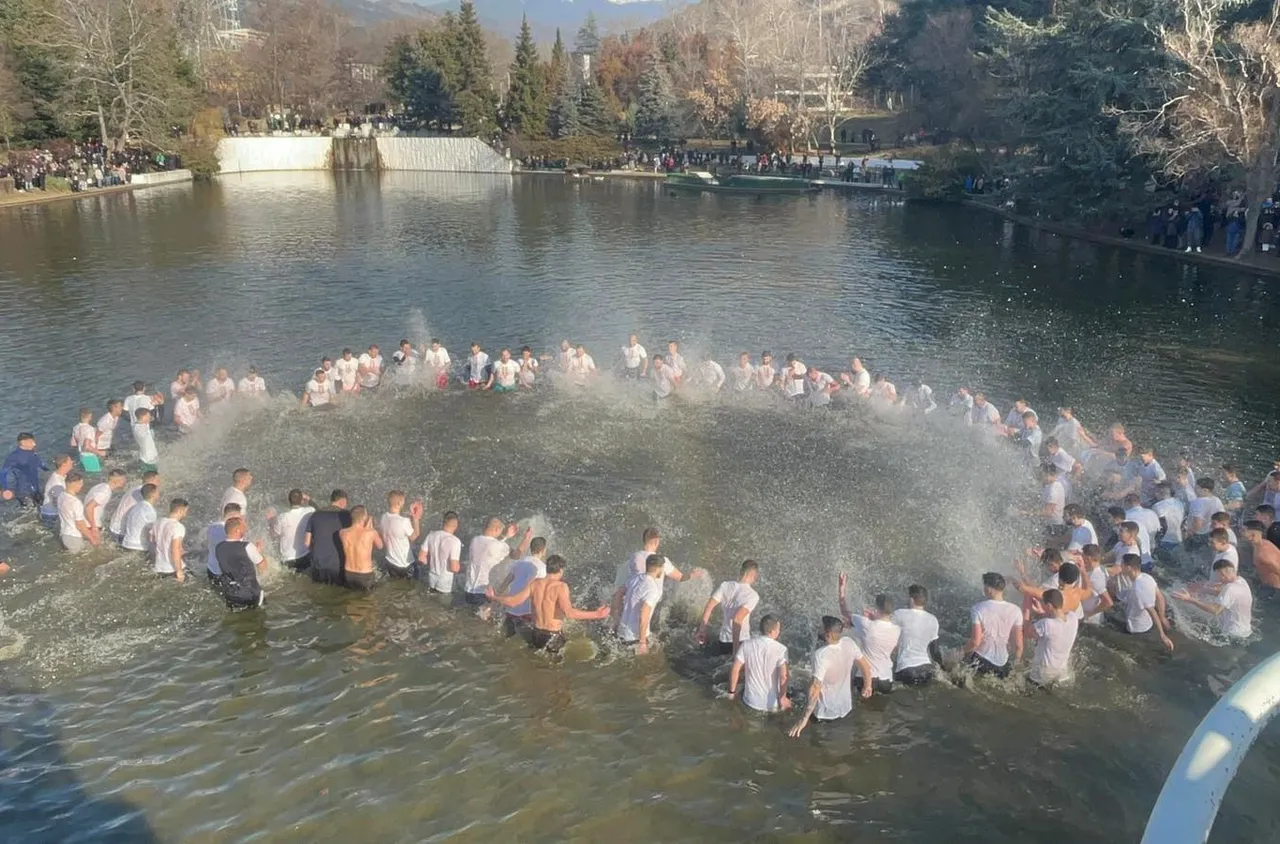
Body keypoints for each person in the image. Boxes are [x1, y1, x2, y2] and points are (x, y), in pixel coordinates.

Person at [485, 554, 609, 653]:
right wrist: (597, 614)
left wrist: (494, 596)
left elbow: (513, 602)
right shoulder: (561, 587)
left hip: (536, 633)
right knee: (555, 674)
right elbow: (569, 613)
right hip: (553, 636)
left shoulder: (535, 583)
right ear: (560, 570)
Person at [787, 616, 873, 737]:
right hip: (845, 709)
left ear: (827, 634)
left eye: (821, 628)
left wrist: (804, 719)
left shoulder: (821, 655)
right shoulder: (849, 643)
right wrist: (868, 685)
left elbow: (815, 688)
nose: (819, 629)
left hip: (824, 714)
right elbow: (865, 665)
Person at [839, 578, 901, 695]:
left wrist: (842, 589)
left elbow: (844, 611)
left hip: (865, 679)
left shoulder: (866, 624)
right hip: (886, 680)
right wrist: (873, 618)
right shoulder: (897, 629)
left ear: (877, 607)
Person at [1171, 558, 1252, 639]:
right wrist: (1202, 589)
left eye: (1219, 576)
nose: (1219, 579)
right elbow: (1224, 594)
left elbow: (1215, 610)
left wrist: (1190, 600)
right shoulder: (1241, 581)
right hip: (1245, 631)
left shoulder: (1230, 588)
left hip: (1233, 634)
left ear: (1224, 574)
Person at [694, 560, 761, 656]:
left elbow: (709, 606)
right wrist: (736, 650)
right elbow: (737, 619)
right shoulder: (752, 595)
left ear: (741, 572)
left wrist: (702, 630)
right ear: (754, 574)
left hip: (723, 640)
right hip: (741, 641)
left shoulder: (725, 585)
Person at [964, 572, 1024, 679]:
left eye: (985, 585)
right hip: (1003, 665)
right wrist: (1016, 663)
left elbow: (975, 642)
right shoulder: (1016, 610)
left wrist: (962, 652)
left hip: (981, 661)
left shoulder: (977, 608)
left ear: (989, 589)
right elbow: (1018, 645)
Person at [465, 518, 532, 612]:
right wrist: (526, 538)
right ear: (496, 530)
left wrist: (506, 536)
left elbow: (492, 545)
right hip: (484, 592)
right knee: (485, 620)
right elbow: (516, 555)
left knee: (471, 616)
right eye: (500, 531)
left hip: (469, 590)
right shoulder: (499, 546)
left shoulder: (475, 540)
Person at [728, 615, 791, 713]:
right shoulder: (781, 649)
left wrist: (731, 692)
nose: (779, 632)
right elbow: (783, 676)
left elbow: (735, 669)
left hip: (749, 700)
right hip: (771, 704)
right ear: (772, 632)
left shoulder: (746, 644)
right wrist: (783, 697)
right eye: (778, 629)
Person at [1112, 553, 1174, 651]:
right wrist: (1162, 617)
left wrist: (1162, 635)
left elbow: (1152, 611)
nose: (1120, 567)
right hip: (1146, 624)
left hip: (1136, 629)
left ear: (1129, 568)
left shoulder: (1138, 588)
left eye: (1122, 564)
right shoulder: (1147, 577)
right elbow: (1160, 597)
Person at [492, 536, 549, 638]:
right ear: (543, 550)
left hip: (510, 610)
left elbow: (505, 584)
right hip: (527, 612)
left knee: (507, 639)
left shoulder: (518, 563)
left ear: (531, 549)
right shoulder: (543, 568)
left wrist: (493, 601)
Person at [1025, 588, 1079, 687]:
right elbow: (1058, 619)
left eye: (1043, 604)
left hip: (1042, 674)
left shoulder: (1046, 624)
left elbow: (1027, 632)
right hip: (1062, 673)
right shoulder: (1073, 618)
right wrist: (1042, 612)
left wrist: (1027, 608)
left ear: (1049, 605)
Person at [890, 585, 941, 685]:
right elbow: (935, 651)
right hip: (927, 668)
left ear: (911, 599)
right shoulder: (933, 619)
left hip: (906, 668)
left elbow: (883, 627)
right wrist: (943, 668)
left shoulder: (899, 614)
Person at [618, 554, 668, 654]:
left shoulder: (635, 579)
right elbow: (643, 614)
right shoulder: (652, 589)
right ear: (660, 568)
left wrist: (615, 616)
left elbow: (618, 594)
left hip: (621, 630)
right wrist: (642, 642)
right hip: (634, 636)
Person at [216, 516, 267, 610]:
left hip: (230, 593)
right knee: (259, 616)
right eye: (244, 526)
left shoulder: (219, 547)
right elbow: (262, 564)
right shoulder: (247, 546)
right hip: (250, 593)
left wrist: (254, 551)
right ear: (237, 530)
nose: (246, 528)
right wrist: (259, 552)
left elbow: (233, 562)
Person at [306, 490, 352, 586]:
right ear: (343, 501)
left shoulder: (315, 515)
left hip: (318, 565)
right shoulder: (347, 516)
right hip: (338, 566)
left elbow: (307, 543)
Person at [266, 489, 314, 571]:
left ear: (289, 501)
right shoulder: (309, 511)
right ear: (302, 500)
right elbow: (320, 511)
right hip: (305, 555)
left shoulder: (282, 517)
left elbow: (273, 534)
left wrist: (270, 521)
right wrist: (309, 499)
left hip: (287, 559)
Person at [417, 510, 463, 593]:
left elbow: (421, 557)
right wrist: (462, 567)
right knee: (444, 604)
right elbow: (454, 568)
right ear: (456, 525)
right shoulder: (455, 541)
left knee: (431, 599)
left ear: (444, 522)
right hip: (445, 581)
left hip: (431, 577)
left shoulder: (431, 535)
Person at [379, 491, 422, 578]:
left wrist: (409, 516)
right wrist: (416, 518)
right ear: (399, 503)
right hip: (404, 564)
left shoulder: (383, 517)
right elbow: (414, 536)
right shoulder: (404, 521)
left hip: (390, 561)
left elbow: (395, 523)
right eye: (403, 501)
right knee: (412, 586)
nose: (404, 503)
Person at [339, 505, 383, 591]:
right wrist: (371, 526)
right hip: (364, 574)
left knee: (351, 600)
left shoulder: (342, 533)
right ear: (364, 517)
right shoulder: (371, 533)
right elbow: (380, 546)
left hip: (349, 573)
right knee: (368, 602)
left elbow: (357, 539)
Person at [109, 470, 159, 540]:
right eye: (157, 480)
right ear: (152, 480)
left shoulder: (136, 489)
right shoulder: (142, 493)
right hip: (120, 531)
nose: (159, 483)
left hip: (115, 526)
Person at [1, 433, 45, 507]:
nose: (34, 444)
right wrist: (5, 488)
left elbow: (41, 465)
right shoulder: (14, 456)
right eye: (31, 442)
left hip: (35, 489)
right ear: (23, 443)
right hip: (23, 492)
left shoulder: (33, 453)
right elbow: (3, 473)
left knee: (42, 508)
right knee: (30, 512)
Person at [57, 472, 97, 552]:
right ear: (74, 484)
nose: (82, 486)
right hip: (73, 537)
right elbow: (80, 525)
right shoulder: (75, 502)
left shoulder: (61, 496)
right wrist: (92, 539)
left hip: (63, 534)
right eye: (81, 483)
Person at [206, 502, 242, 585]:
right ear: (234, 516)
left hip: (211, 569)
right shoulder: (233, 532)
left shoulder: (211, 527)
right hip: (225, 574)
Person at [152, 498, 189, 581]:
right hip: (171, 569)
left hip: (159, 567)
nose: (185, 515)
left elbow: (152, 539)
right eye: (185, 512)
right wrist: (179, 571)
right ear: (180, 511)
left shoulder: (158, 521)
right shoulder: (178, 527)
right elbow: (175, 550)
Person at [1242, 520, 1280, 599]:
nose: (1240, 532)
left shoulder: (1263, 554)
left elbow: (1278, 568)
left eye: (1243, 530)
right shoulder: (1264, 542)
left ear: (1252, 534)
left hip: (1273, 589)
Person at [83, 469, 126, 536]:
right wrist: (94, 526)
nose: (125, 482)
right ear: (117, 481)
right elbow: (88, 507)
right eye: (124, 479)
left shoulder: (101, 486)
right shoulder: (104, 492)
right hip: (90, 526)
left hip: (87, 523)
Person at [120, 482, 160, 553]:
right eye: (157, 492)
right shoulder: (150, 511)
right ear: (153, 494)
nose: (159, 494)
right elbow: (150, 535)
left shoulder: (136, 506)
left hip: (126, 543)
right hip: (138, 547)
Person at [1150, 481, 1185, 550]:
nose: (1154, 494)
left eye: (1156, 491)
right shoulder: (1179, 503)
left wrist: (1157, 540)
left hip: (1165, 540)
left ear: (1160, 493)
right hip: (1178, 538)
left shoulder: (1157, 506)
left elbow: (1163, 525)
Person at [38, 453, 73, 523]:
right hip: (51, 514)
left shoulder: (60, 475)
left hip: (50, 510)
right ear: (63, 464)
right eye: (70, 461)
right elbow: (59, 502)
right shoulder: (57, 482)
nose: (72, 462)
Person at [71, 407, 103, 472]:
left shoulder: (75, 428)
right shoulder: (89, 429)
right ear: (89, 416)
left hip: (81, 456)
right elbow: (87, 446)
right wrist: (100, 452)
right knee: (95, 475)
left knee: (87, 473)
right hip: (90, 456)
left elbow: (73, 444)